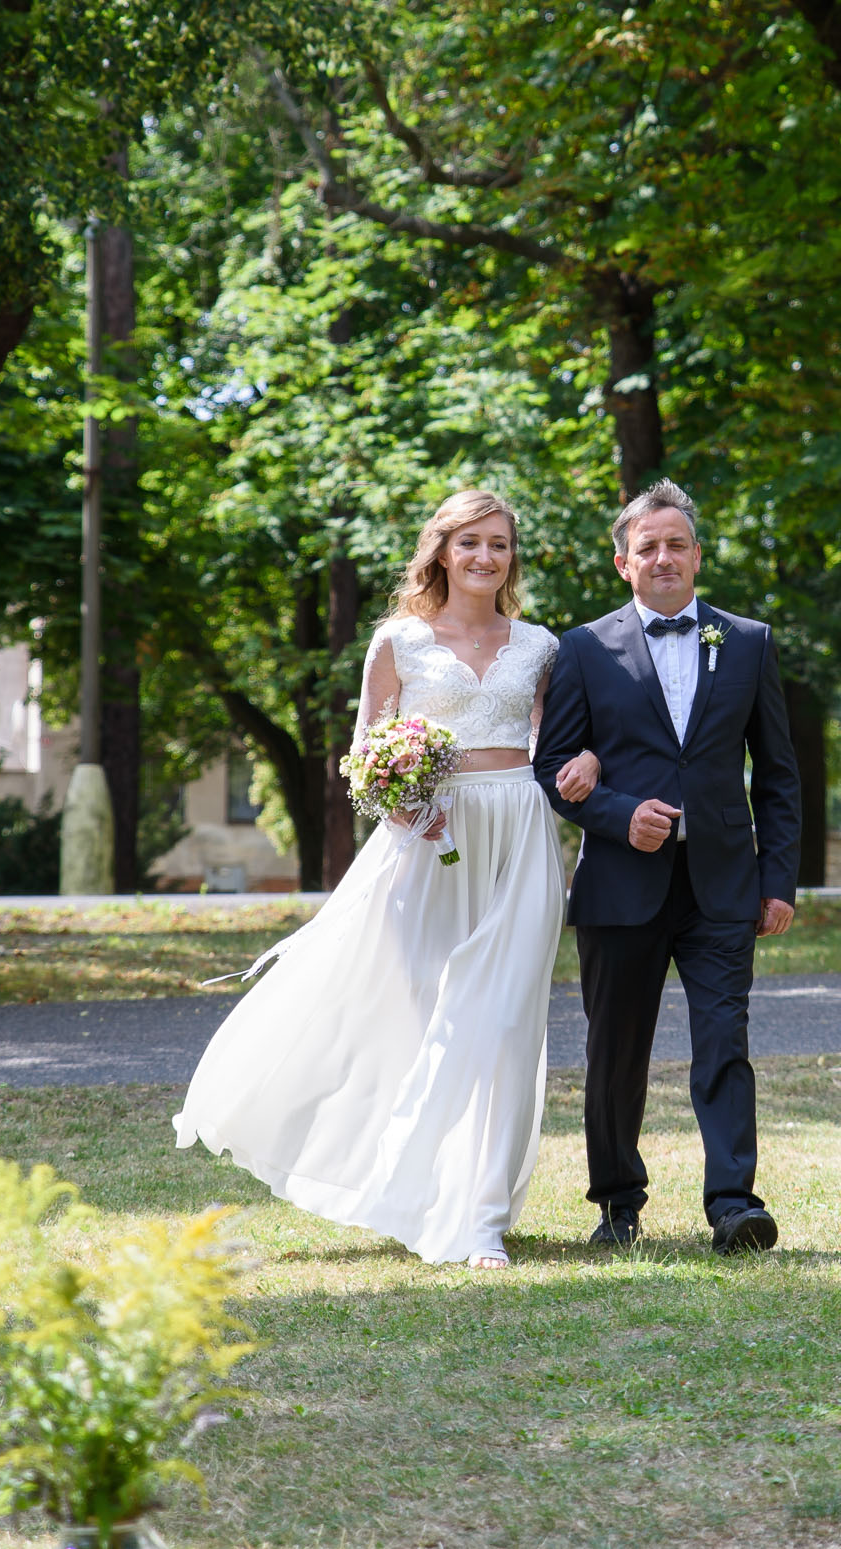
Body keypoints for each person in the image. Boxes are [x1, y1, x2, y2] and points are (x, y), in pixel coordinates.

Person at [173, 489, 600, 1270]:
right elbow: (364, 754)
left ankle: (481, 1214)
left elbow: (559, 739)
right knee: (430, 1015)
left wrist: (589, 760)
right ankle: (419, 1186)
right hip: (429, 841)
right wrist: (404, 806)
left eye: (499, 544)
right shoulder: (397, 641)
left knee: (506, 1021)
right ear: (441, 551)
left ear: (512, 557)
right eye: (469, 542)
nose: (485, 556)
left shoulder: (542, 645)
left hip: (519, 832)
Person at [534, 480, 804, 1255]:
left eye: (676, 544)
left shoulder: (748, 641)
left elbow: (778, 774)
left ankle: (735, 1205)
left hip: (724, 884)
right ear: (624, 562)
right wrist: (621, 815)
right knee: (616, 1052)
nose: (663, 557)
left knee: (724, 1041)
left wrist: (777, 880)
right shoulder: (584, 647)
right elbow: (553, 766)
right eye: (647, 546)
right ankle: (618, 1204)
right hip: (621, 884)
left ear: (697, 555)